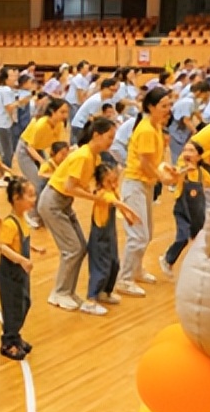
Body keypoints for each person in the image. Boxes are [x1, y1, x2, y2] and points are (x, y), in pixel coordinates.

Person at [38, 117, 138, 312]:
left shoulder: (94, 157)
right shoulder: (83, 156)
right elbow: (70, 187)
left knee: (80, 248)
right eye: (109, 137)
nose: (112, 142)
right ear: (96, 135)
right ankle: (59, 293)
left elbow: (88, 185)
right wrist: (96, 199)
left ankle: (68, 291)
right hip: (53, 202)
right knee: (72, 249)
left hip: (64, 203)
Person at [117, 87, 175, 297]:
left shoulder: (156, 126)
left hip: (145, 184)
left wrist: (166, 169)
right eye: (163, 106)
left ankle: (136, 270)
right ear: (151, 107)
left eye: (169, 105)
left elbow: (153, 161)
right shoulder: (146, 130)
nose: (168, 109)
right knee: (137, 235)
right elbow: (144, 163)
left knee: (146, 233)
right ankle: (124, 279)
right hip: (135, 185)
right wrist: (163, 178)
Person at [0, 178, 43, 361]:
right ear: (16, 198)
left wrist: (34, 248)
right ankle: (8, 342)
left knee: (24, 303)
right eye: (29, 195)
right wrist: (22, 260)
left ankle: (15, 335)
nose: (34, 199)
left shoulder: (23, 220)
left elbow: (21, 241)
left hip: (21, 273)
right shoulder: (9, 223)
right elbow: (3, 247)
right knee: (12, 307)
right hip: (10, 274)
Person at [159, 141, 210, 276]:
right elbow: (171, 179)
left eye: (191, 151)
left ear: (199, 157)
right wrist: (183, 171)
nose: (187, 153)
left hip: (197, 212)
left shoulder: (202, 173)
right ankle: (167, 259)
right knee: (182, 238)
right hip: (182, 210)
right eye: (185, 150)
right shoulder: (180, 170)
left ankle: (200, 266)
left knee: (200, 239)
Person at [15, 98, 69, 228]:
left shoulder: (59, 125)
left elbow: (57, 146)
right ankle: (30, 215)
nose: (65, 115)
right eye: (62, 112)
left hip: (39, 150)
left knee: (47, 182)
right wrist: (43, 162)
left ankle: (43, 213)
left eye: (66, 112)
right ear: (53, 112)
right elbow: (29, 147)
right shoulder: (41, 124)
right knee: (37, 183)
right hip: (25, 150)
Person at [83, 164, 126, 316]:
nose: (114, 184)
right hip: (100, 239)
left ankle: (105, 292)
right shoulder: (103, 194)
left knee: (114, 263)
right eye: (110, 181)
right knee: (101, 268)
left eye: (115, 181)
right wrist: (132, 214)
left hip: (110, 237)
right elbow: (118, 203)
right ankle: (90, 300)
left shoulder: (112, 190)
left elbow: (118, 198)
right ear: (101, 182)